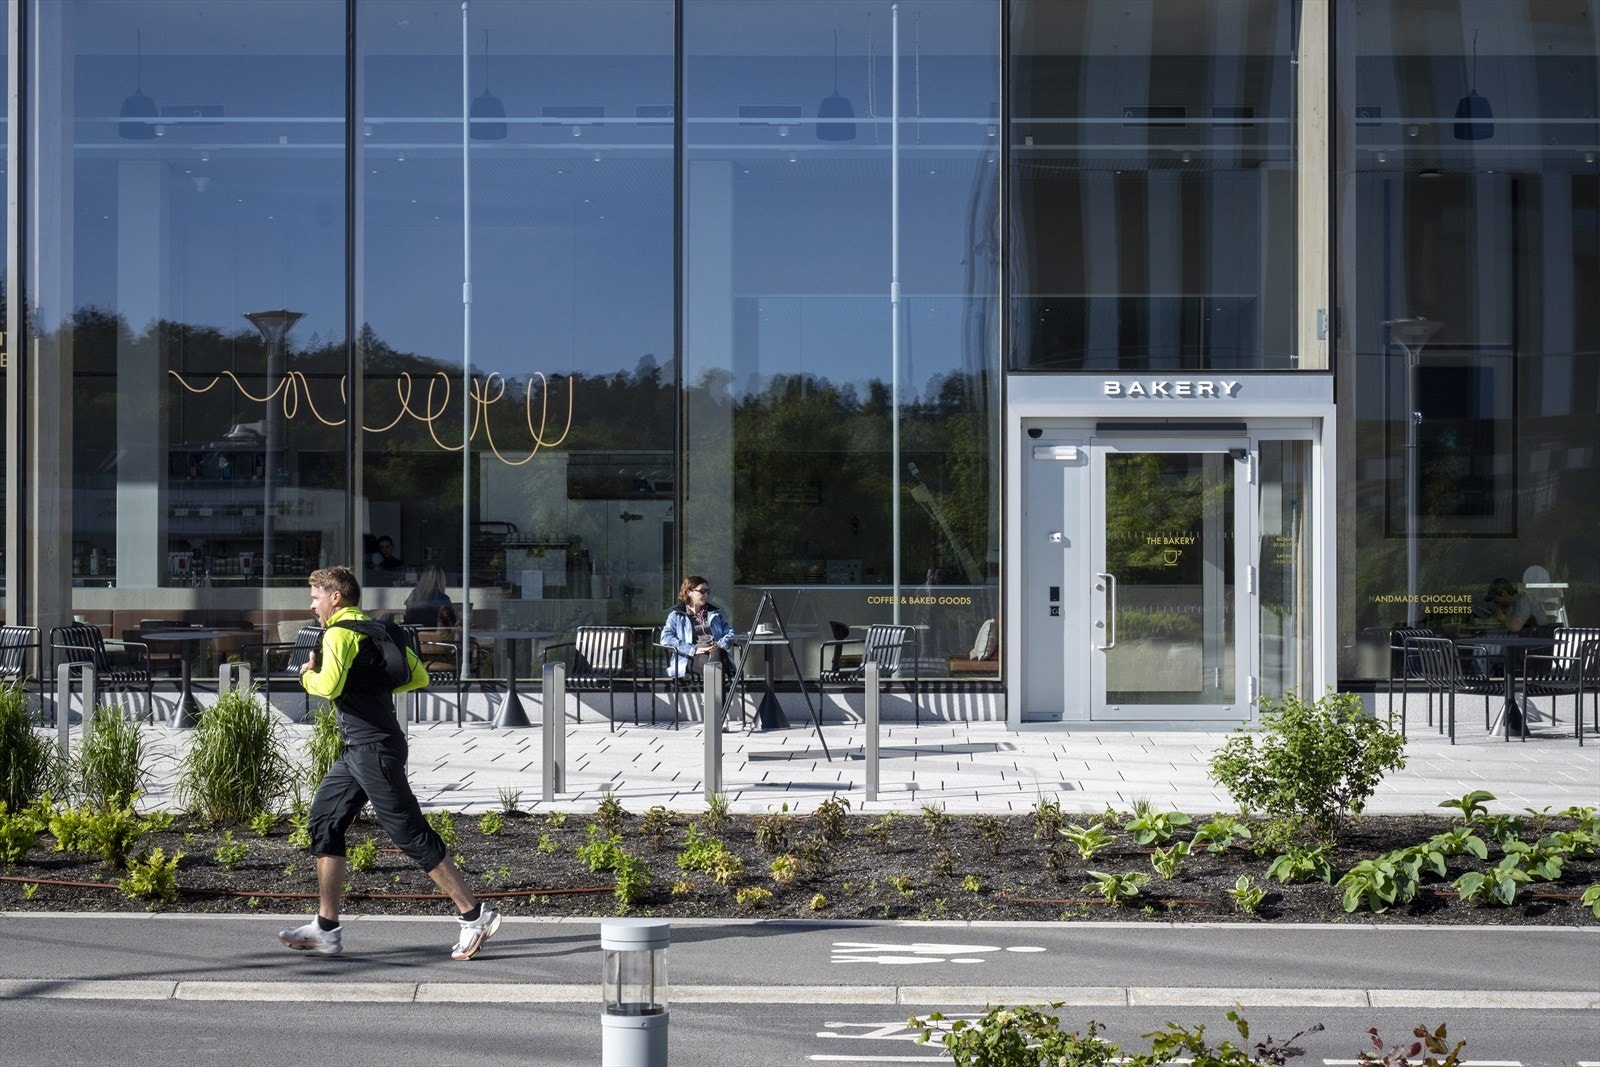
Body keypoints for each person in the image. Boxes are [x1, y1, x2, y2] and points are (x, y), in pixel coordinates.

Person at [278, 565, 500, 960]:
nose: (312, 606)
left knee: (409, 833)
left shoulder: (339, 633)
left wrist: (306, 676)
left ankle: (474, 914)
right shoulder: (380, 629)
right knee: (325, 822)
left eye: (315, 598)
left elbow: (327, 687)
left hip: (374, 749)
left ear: (336, 598)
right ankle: (326, 929)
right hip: (363, 749)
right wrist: (369, 680)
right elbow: (417, 677)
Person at [660, 574, 740, 729]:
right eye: (702, 591)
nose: (706, 594)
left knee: (716, 657)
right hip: (691, 658)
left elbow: (730, 633)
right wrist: (694, 649)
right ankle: (719, 717)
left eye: (707, 591)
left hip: (716, 653)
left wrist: (720, 643)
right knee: (716, 668)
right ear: (689, 592)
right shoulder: (677, 615)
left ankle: (714, 708)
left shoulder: (714, 613)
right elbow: (666, 638)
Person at [404, 562, 459, 627]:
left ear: (423, 578)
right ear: (441, 580)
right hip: (435, 635)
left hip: (413, 636)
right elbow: (452, 623)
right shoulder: (443, 598)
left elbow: (408, 618)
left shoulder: (414, 595)